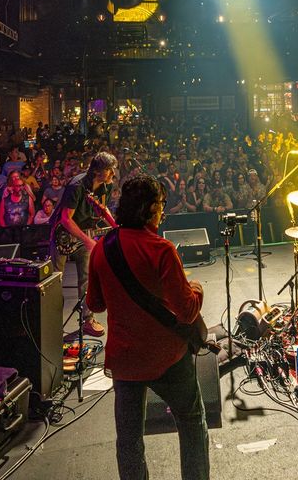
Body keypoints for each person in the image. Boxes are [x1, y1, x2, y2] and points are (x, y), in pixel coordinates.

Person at [85, 175, 209, 480]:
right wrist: (197, 290)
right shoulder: (162, 250)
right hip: (167, 357)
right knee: (192, 423)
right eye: (162, 206)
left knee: (128, 441)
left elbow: (96, 304)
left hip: (125, 361)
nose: (162, 212)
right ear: (152, 208)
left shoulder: (102, 248)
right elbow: (187, 311)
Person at [53, 152, 119, 337]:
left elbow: (102, 208)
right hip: (63, 235)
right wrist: (87, 239)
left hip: (84, 233)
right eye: (109, 169)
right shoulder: (77, 185)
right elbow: (66, 219)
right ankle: (52, 323)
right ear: (98, 171)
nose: (113, 173)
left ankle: (87, 320)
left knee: (87, 279)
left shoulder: (105, 185)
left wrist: (116, 227)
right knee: (55, 281)